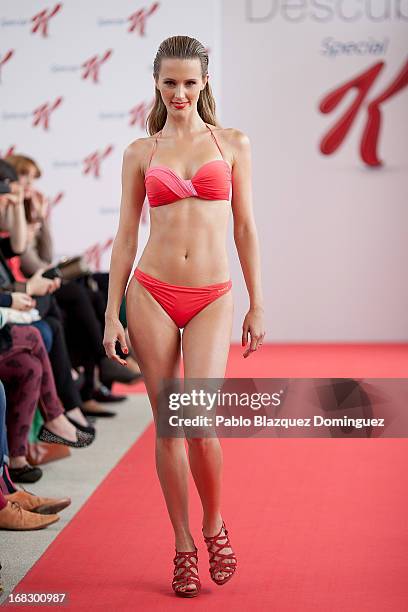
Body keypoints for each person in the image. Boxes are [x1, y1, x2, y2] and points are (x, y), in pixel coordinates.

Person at [103, 36, 265, 598]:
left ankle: (214, 523)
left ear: (204, 83)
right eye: (169, 82)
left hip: (212, 296)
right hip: (150, 291)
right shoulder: (140, 152)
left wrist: (257, 301)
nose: (179, 92)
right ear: (156, 82)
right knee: (168, 425)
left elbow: (244, 228)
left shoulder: (233, 144)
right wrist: (111, 312)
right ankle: (181, 543)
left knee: (198, 422)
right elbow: (126, 235)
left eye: (189, 82)